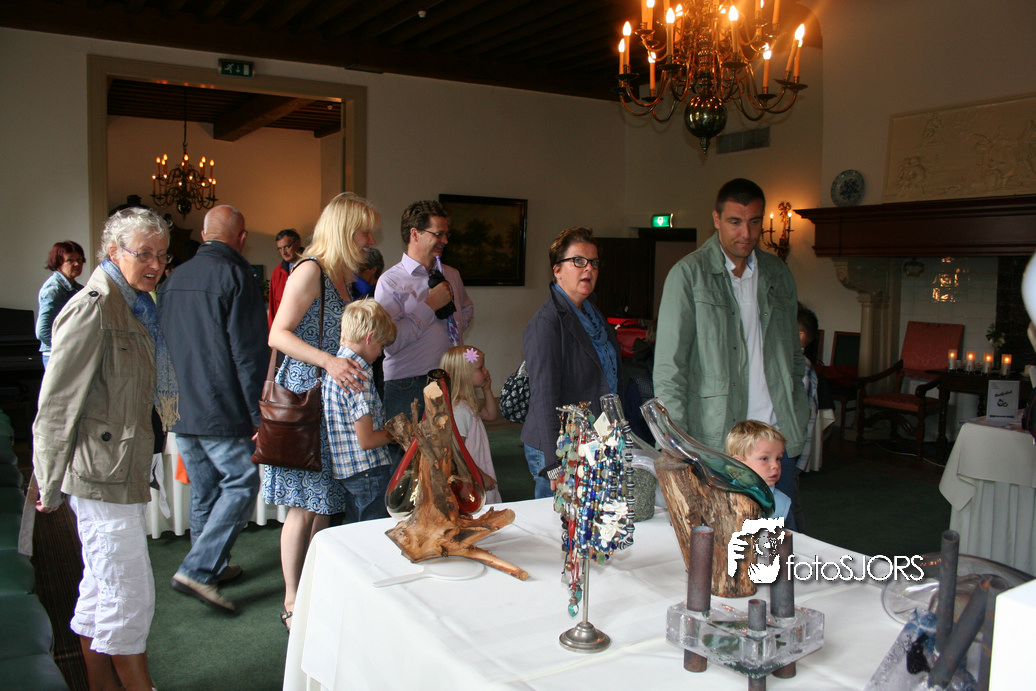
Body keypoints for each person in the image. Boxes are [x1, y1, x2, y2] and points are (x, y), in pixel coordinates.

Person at [33, 208, 176, 691]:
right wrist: (48, 481)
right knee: (130, 598)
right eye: (144, 254)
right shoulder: (93, 308)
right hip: (100, 475)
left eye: (162, 255)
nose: (155, 264)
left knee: (102, 591)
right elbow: (56, 406)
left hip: (122, 468)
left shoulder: (135, 305)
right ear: (113, 252)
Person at [653, 178, 808, 529]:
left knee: (777, 539)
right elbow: (670, 368)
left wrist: (798, 411)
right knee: (722, 540)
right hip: (718, 440)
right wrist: (674, 440)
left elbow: (794, 357)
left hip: (775, 437)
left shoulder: (778, 274)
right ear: (716, 219)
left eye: (754, 222)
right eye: (735, 222)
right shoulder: (689, 275)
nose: (746, 233)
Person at [261, 191, 378, 631]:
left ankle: (314, 585)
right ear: (344, 231)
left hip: (329, 402)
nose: (369, 240)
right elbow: (278, 335)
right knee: (303, 506)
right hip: (306, 401)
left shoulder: (342, 276)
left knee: (325, 502)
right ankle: (293, 600)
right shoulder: (310, 270)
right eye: (364, 232)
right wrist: (330, 361)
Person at [158, 205, 269, 613]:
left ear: (204, 235)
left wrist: (166, 405)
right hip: (219, 405)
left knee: (205, 489)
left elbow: (160, 347)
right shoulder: (237, 275)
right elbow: (248, 353)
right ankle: (199, 569)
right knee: (241, 481)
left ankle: (211, 566)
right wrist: (258, 415)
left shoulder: (173, 278)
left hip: (180, 406)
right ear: (241, 238)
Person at [522, 227, 620, 498]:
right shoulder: (547, 323)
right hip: (558, 445)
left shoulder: (592, 315)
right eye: (578, 261)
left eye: (594, 262)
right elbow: (543, 398)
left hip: (594, 437)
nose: (588, 268)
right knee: (557, 520)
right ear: (557, 270)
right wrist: (555, 462)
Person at [375, 200, 474, 424]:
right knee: (407, 446)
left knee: (449, 445)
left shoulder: (452, 275)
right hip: (408, 383)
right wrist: (430, 306)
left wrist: (453, 328)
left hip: (449, 379)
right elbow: (390, 341)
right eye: (438, 234)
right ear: (415, 234)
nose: (445, 241)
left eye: (447, 234)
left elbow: (467, 308)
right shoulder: (390, 282)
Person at [322, 299, 397, 521]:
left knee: (355, 528)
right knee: (371, 530)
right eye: (381, 346)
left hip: (349, 471)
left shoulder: (335, 370)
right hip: (368, 470)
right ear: (369, 337)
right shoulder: (358, 376)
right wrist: (397, 433)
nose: (381, 353)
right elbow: (367, 440)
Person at [439, 345, 502, 504]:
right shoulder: (460, 411)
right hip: (471, 475)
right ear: (463, 375)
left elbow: (491, 415)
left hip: (477, 468)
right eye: (480, 368)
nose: (486, 371)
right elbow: (456, 452)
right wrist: (479, 475)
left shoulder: (466, 402)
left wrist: (487, 389)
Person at [725, 420, 791, 524]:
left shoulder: (782, 504)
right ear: (738, 464)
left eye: (778, 459)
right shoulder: (722, 495)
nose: (775, 465)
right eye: (765, 459)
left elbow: (790, 534)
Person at [35, 240, 85, 368]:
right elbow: (42, 331)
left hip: (70, 354)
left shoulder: (79, 289)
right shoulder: (54, 289)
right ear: (58, 263)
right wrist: (66, 348)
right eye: (70, 260)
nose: (77, 264)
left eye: (79, 259)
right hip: (57, 356)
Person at [269, 228, 303, 327]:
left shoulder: (314, 266)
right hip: (285, 328)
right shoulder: (277, 272)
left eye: (287, 247)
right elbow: (273, 307)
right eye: (280, 249)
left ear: (298, 243)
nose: (283, 252)